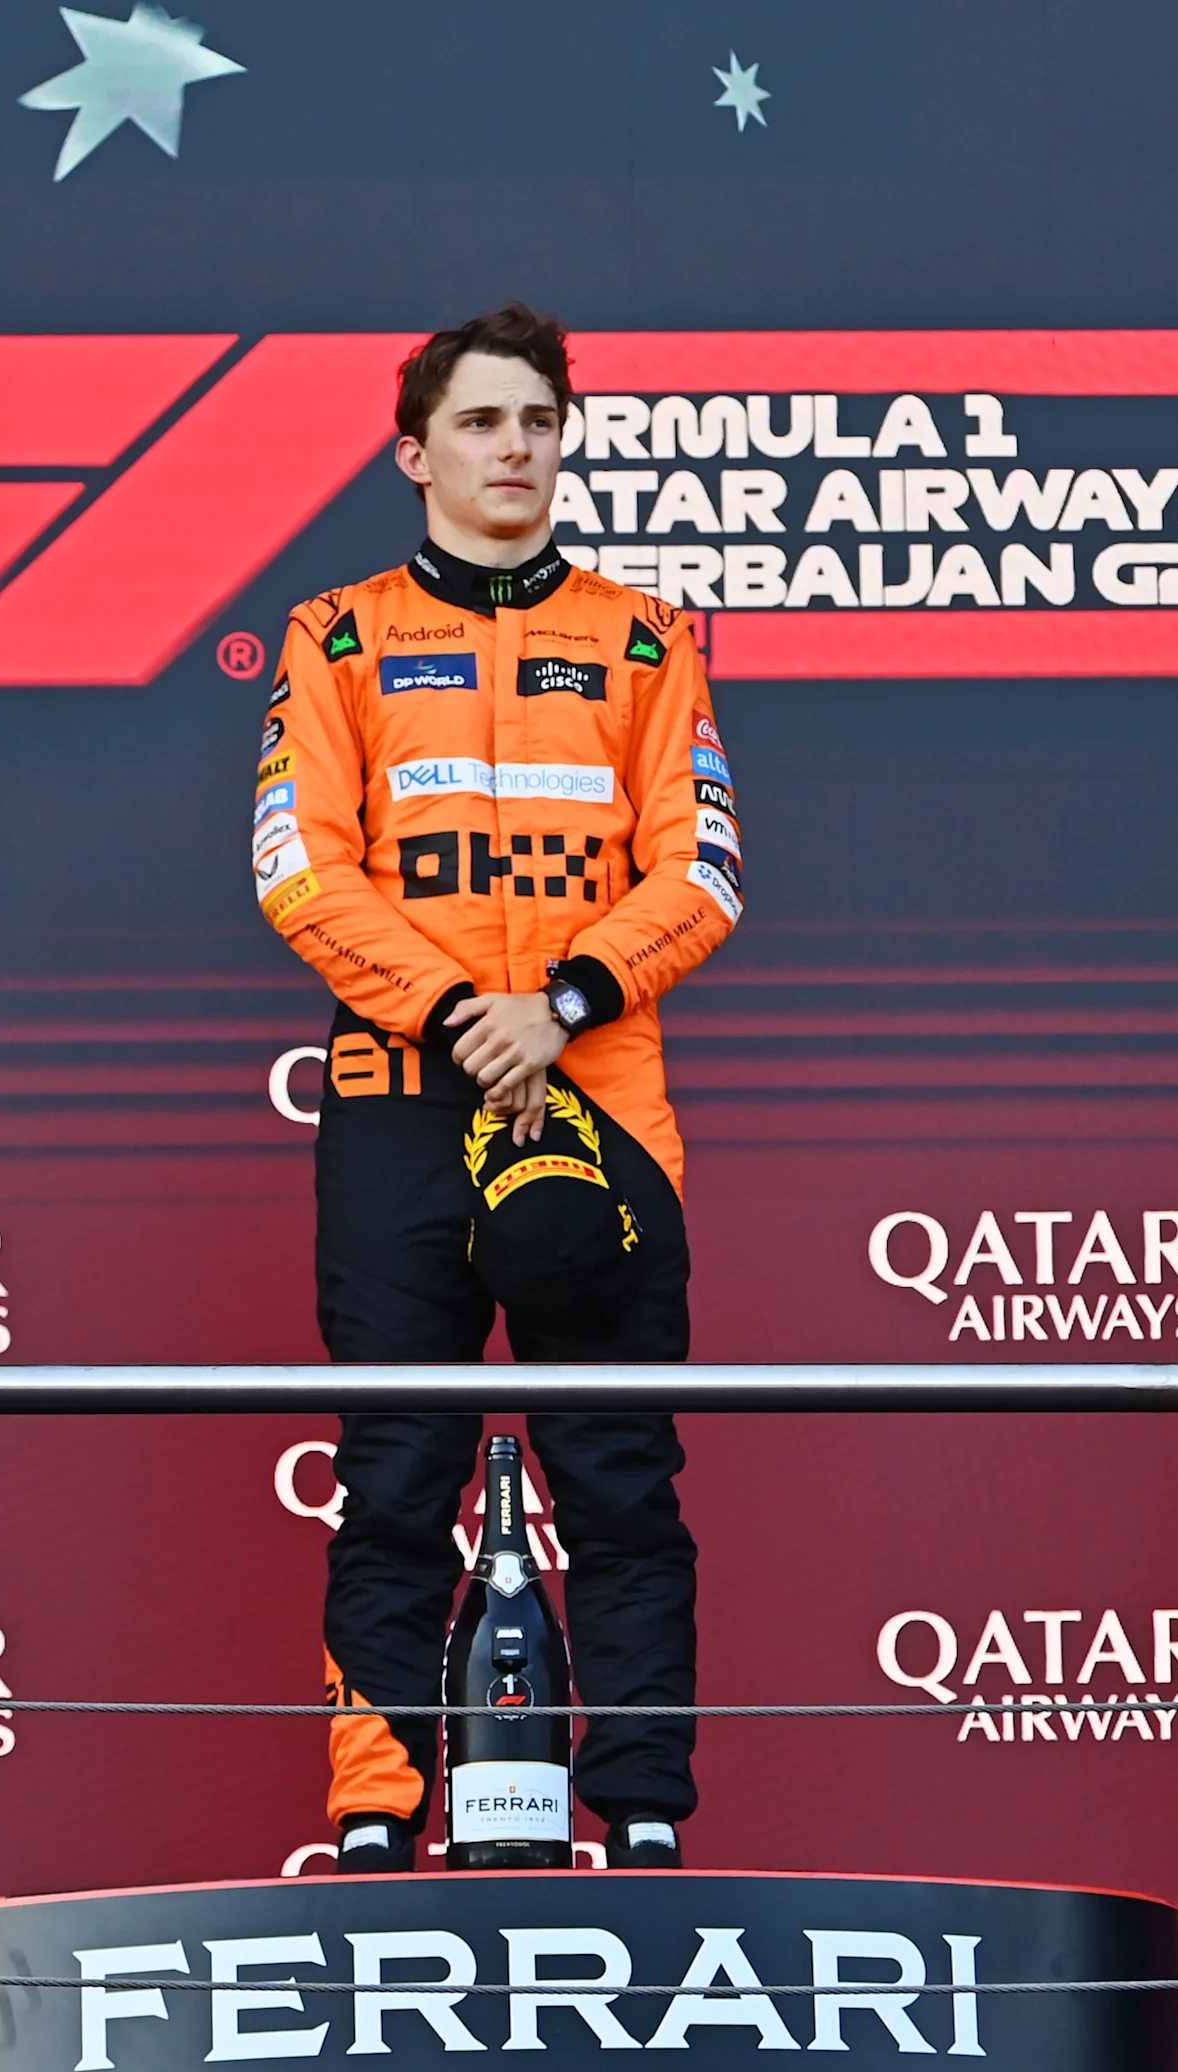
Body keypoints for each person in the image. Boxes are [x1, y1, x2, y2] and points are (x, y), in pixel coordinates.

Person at [257, 304, 741, 1872]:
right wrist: (471, 1009)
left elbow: (707, 866)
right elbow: (296, 870)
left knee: (622, 1474)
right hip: (404, 1094)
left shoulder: (647, 637)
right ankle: (380, 1810)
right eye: (479, 423)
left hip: (601, 1099)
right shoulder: (332, 638)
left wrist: (570, 1004)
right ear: (415, 455)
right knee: (398, 1470)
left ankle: (647, 1811)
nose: (514, 448)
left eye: (537, 420)